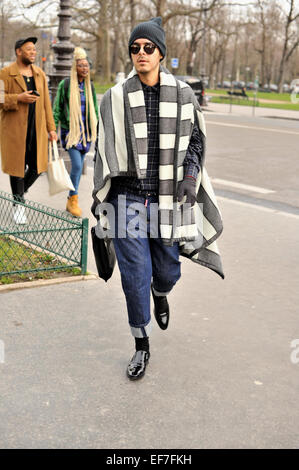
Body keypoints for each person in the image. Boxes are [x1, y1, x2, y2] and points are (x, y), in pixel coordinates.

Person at [92, 17, 224, 380]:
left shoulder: (183, 95)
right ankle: (141, 346)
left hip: (168, 199)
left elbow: (196, 140)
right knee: (134, 277)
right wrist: (102, 201)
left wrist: (191, 177)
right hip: (128, 201)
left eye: (148, 47)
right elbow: (103, 150)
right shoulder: (115, 97)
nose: (140, 54)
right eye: (135, 48)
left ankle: (161, 292)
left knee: (167, 271)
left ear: (161, 53)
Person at [0, 37, 57, 224]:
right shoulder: (5, 73)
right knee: (17, 168)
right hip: (14, 130)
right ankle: (19, 205)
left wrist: (51, 128)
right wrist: (18, 98)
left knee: (37, 167)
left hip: (37, 129)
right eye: (29, 49)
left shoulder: (39, 74)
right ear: (18, 51)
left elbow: (47, 104)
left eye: (34, 50)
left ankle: (20, 193)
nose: (33, 52)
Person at [53, 47, 98, 217]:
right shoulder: (65, 85)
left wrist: (98, 128)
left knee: (78, 170)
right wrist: (53, 129)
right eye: (81, 66)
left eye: (87, 66)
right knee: (77, 166)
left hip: (85, 135)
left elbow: (94, 108)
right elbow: (57, 108)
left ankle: (70, 201)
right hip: (70, 134)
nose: (85, 69)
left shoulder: (89, 87)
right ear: (75, 68)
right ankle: (73, 200)